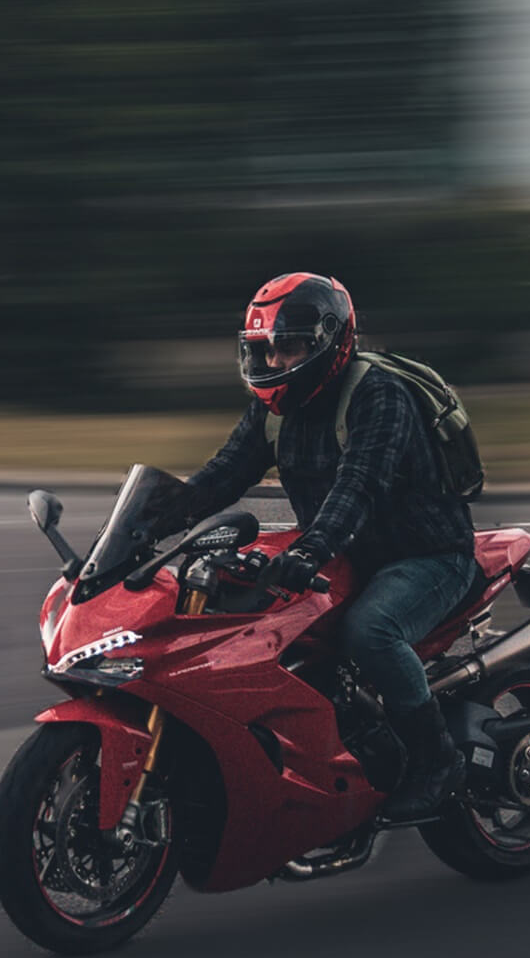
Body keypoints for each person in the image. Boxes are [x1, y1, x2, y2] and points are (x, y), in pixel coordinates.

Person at [182, 272, 479, 824]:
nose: (273, 362)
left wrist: (309, 550)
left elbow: (358, 485)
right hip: (343, 553)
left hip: (425, 555)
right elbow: (222, 474)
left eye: (288, 346)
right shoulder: (275, 408)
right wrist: (146, 523)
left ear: (329, 341)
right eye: (262, 350)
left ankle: (436, 760)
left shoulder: (378, 395)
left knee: (370, 631)